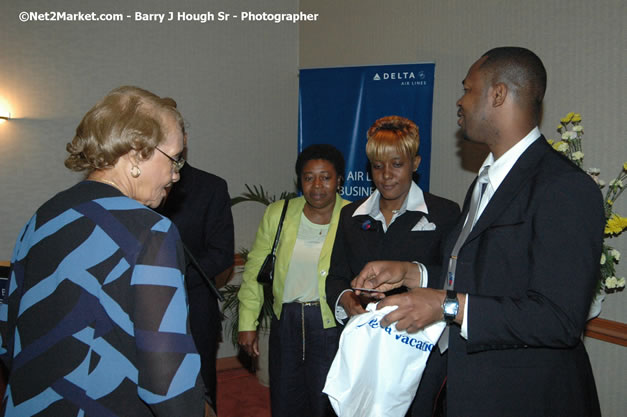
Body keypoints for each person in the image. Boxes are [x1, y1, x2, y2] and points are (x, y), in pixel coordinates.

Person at [352, 47, 604, 417]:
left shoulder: (562, 186)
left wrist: (446, 305)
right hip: (474, 391)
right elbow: (479, 274)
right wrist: (410, 271)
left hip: (528, 398)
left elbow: (558, 319)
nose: (460, 100)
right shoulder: (486, 181)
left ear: (498, 94)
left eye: (468, 89)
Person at [0, 86, 212, 416]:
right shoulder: (151, 231)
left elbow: (7, 334)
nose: (175, 174)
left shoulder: (42, 217)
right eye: (174, 159)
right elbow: (166, 378)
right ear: (138, 153)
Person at [325, 115, 460, 415]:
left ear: (415, 163)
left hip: (421, 350)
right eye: (377, 165)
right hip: (368, 349)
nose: (386, 175)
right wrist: (347, 300)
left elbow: (456, 280)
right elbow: (336, 277)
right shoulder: (351, 216)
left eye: (397, 164)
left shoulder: (445, 213)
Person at [238, 144, 350, 417]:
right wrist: (247, 323)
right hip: (285, 324)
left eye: (326, 177)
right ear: (299, 181)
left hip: (331, 326)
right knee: (286, 402)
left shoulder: (354, 216)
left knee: (327, 404)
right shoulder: (280, 213)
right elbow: (254, 271)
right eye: (308, 177)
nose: (317, 185)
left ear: (339, 181)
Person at [157, 127, 235, 414]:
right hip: (139, 303)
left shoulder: (210, 186)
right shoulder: (133, 188)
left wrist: (171, 280)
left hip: (195, 303)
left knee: (199, 385)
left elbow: (221, 253)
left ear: (183, 139)